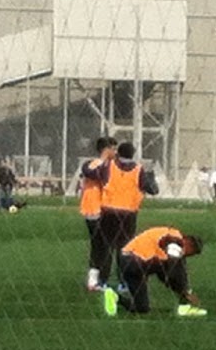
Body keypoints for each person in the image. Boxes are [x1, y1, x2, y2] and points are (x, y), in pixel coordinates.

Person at [94, 142, 158, 287]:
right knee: (124, 249)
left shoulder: (109, 166)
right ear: (133, 154)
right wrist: (151, 178)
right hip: (128, 214)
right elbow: (153, 190)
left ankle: (102, 281)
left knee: (105, 248)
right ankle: (123, 282)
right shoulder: (138, 170)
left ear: (118, 153)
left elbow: (95, 175)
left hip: (108, 211)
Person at [106, 226, 206, 317]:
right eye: (191, 253)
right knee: (177, 268)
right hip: (136, 262)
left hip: (126, 262)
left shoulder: (169, 235)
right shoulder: (175, 240)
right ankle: (184, 306)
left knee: (142, 308)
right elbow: (172, 267)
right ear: (188, 244)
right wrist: (184, 291)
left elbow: (164, 274)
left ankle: (115, 297)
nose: (188, 255)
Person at [78, 136, 118, 291]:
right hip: (97, 209)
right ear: (106, 150)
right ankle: (101, 280)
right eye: (113, 149)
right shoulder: (97, 165)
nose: (115, 152)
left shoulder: (106, 165)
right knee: (105, 246)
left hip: (93, 209)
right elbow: (94, 174)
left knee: (98, 245)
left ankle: (93, 279)